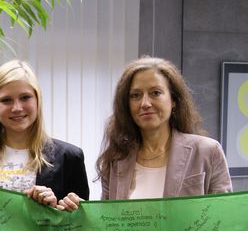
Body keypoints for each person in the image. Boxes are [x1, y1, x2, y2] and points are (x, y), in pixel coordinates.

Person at [58, 56, 232, 210]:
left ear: (173, 100)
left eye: (155, 93)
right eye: (135, 95)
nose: (145, 103)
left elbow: (224, 219)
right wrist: (79, 211)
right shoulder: (116, 159)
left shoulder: (208, 151)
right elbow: (108, 226)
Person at [0, 59, 89, 206]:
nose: (17, 108)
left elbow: (81, 225)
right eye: (6, 100)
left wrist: (57, 208)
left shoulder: (69, 158)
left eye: (25, 97)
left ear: (37, 100)